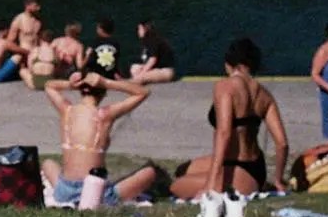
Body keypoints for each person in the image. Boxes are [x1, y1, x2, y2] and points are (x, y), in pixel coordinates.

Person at [170, 38, 290, 208]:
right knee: (182, 170)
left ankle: (225, 181)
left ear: (229, 64)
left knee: (176, 186)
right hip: (256, 167)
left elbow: (224, 133)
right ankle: (252, 182)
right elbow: (282, 143)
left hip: (239, 170)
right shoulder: (264, 94)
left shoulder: (225, 87)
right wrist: (278, 179)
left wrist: (212, 182)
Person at [40, 68, 166, 207]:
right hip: (97, 193)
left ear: (81, 90)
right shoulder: (104, 115)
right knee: (150, 172)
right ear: (104, 92)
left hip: (64, 192)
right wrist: (107, 82)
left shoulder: (67, 110)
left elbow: (49, 86)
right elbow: (143, 92)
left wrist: (71, 84)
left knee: (48, 163)